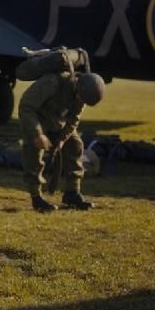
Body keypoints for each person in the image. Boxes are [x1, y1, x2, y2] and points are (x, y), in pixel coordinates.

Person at [19, 68, 105, 212]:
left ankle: (72, 192)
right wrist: (37, 134)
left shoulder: (82, 93)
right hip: (35, 120)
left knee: (75, 144)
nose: (81, 102)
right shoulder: (51, 83)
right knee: (34, 153)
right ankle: (36, 197)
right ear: (77, 85)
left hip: (57, 122)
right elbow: (26, 107)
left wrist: (62, 138)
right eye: (81, 98)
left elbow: (73, 119)